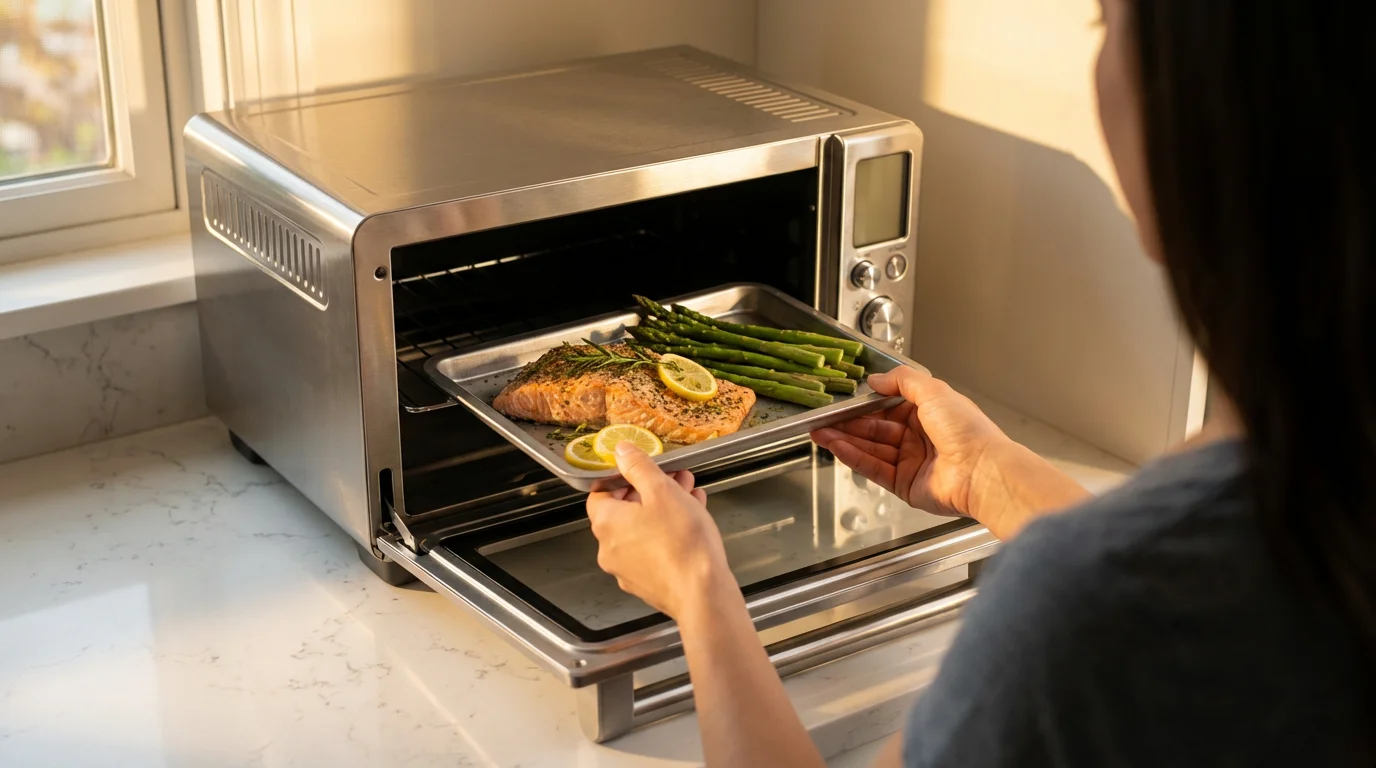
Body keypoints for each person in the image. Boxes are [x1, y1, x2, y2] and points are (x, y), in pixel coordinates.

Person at [586, 0, 1372, 764]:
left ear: (1196, 120)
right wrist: (990, 475)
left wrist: (698, 588)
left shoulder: (1094, 609)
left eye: (1105, 20)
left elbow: (1124, 593)